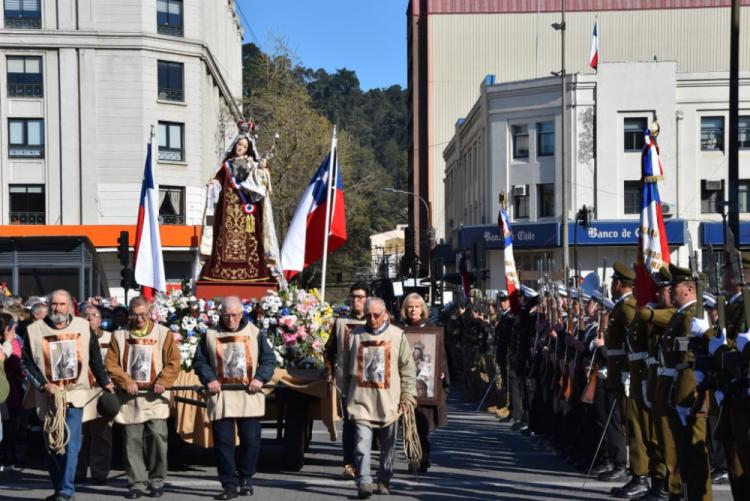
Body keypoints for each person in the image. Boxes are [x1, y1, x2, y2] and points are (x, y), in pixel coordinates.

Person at [21, 289, 114, 501]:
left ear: (70, 306)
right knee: (53, 446)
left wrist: (104, 382)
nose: (58, 308)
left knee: (70, 444)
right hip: (48, 396)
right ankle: (59, 488)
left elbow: (94, 358)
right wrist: (45, 385)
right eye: (54, 304)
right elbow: (26, 363)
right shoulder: (34, 330)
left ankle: (66, 491)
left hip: (75, 395)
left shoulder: (82, 326)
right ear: (48, 305)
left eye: (62, 304)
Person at [192, 296, 275, 500]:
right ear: (220, 314)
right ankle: (228, 484)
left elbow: (268, 360)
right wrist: (209, 378)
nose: (231, 319)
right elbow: (200, 361)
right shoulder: (210, 334)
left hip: (249, 394)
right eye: (227, 315)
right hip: (222, 396)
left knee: (251, 440)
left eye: (235, 315)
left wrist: (260, 378)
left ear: (242, 314)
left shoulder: (255, 333)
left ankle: (246, 477)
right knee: (223, 442)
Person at [105, 296, 180, 499]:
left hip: (155, 395)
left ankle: (156, 480)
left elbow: (173, 362)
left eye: (143, 314)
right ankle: (136, 483)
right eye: (135, 315)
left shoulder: (163, 333)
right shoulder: (119, 335)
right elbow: (111, 364)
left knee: (157, 436)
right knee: (132, 441)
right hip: (130, 397)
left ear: (149, 313)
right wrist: (125, 381)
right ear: (129, 314)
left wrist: (163, 381)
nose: (139, 319)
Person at [343, 297, 416, 499]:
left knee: (388, 444)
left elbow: (408, 369)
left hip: (389, 401)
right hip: (361, 400)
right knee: (361, 443)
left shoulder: (397, 336)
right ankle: (364, 481)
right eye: (368, 315)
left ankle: (384, 477)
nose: (372, 319)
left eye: (376, 315)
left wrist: (407, 395)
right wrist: (343, 391)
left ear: (385, 314)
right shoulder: (355, 335)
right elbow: (345, 366)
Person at [200, 121, 282, 282]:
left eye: (244, 146)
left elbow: (261, 186)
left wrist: (263, 169)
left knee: (251, 239)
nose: (240, 148)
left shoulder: (254, 165)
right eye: (239, 144)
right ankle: (220, 268)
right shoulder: (226, 166)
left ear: (248, 148)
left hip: (248, 212)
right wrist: (214, 185)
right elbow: (218, 181)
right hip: (227, 210)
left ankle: (253, 269)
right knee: (223, 238)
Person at [661, 264, 712, 501]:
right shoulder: (680, 315)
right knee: (683, 451)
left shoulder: (693, 315)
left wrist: (686, 392)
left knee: (695, 450)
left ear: (689, 288)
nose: (670, 291)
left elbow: (689, 354)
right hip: (679, 384)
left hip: (690, 387)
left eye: (675, 286)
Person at [325, 282, 370, 480]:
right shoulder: (341, 323)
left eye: (360, 297)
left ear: (368, 299)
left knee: (369, 425)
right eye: (353, 297)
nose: (356, 300)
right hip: (348, 382)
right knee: (350, 425)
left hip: (372, 382)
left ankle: (366, 463)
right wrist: (329, 371)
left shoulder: (377, 320)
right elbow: (329, 349)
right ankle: (350, 464)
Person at [400, 292, 449, 473]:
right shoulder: (399, 329)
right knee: (407, 424)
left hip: (425, 385)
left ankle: (424, 457)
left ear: (423, 309)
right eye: (410, 306)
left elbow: (440, 356)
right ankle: (412, 457)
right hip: (405, 385)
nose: (413, 310)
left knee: (423, 426)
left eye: (417, 306)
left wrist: (441, 371)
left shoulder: (431, 328)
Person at [76, 304, 113, 485]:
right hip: (81, 391)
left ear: (100, 319)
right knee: (80, 433)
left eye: (94, 315)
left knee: (102, 434)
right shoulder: (75, 336)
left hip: (101, 390)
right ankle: (78, 471)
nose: (90, 318)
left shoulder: (110, 338)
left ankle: (99, 473)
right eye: (86, 315)